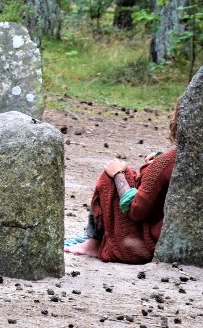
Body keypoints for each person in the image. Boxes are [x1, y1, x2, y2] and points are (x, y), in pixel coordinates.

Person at [64, 104, 178, 264]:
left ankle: (93, 244)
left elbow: (137, 209)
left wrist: (118, 175)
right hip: (173, 241)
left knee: (108, 178)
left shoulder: (167, 162)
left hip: (142, 247)